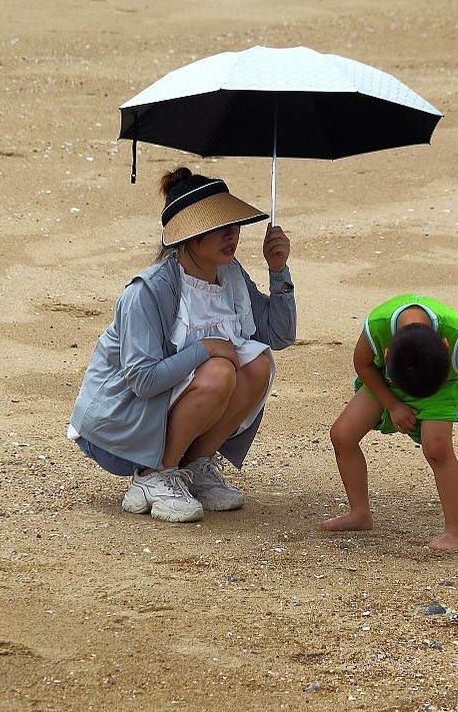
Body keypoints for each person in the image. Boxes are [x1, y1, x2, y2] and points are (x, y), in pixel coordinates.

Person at [67, 167, 295, 523]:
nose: (230, 234)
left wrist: (278, 270)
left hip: (168, 405)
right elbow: (142, 382)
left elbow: (279, 336)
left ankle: (194, 467)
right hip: (122, 419)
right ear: (188, 235)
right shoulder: (148, 290)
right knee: (220, 371)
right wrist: (205, 349)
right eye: (218, 226)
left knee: (258, 365)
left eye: (233, 224)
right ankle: (154, 475)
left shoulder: (230, 275)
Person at [320, 294, 458, 552]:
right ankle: (359, 514)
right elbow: (362, 364)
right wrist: (392, 404)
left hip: (439, 384)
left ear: (446, 345)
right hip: (390, 379)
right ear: (386, 353)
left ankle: (455, 531)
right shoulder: (377, 326)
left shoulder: (455, 328)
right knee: (343, 435)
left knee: (437, 450)